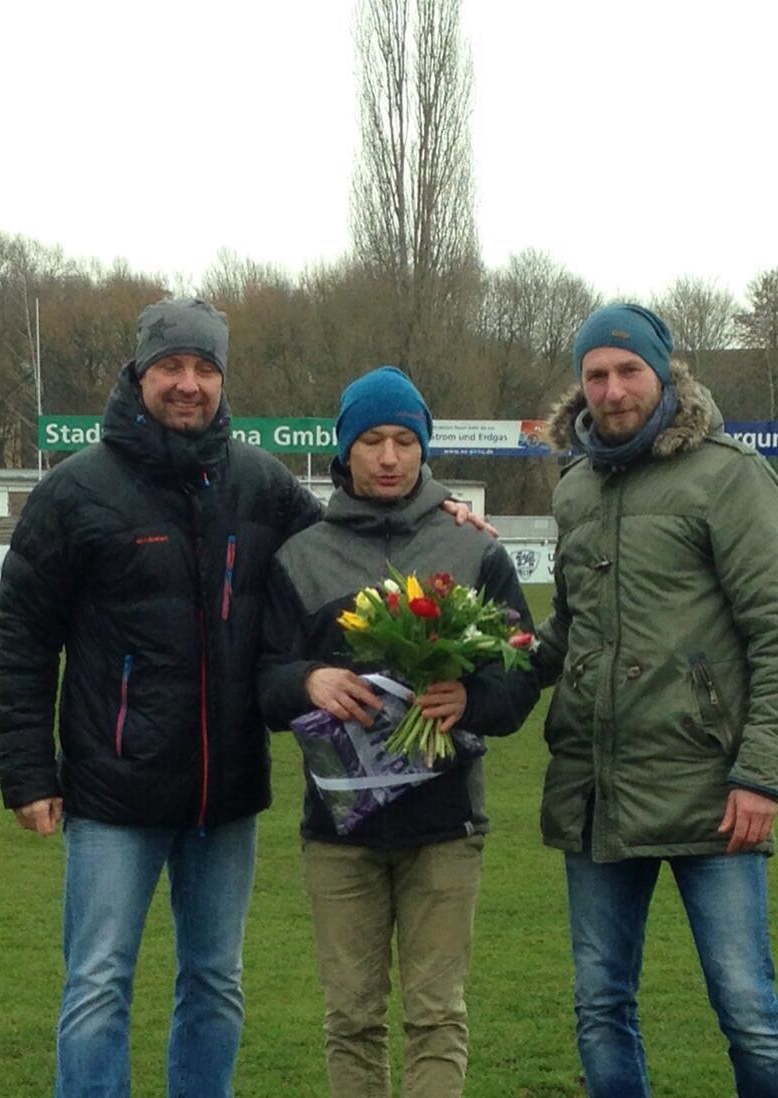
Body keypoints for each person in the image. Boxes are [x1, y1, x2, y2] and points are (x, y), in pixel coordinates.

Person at [0, 300, 487, 1098]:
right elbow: (21, 636)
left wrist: (442, 515)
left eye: (206, 369)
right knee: (96, 985)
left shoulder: (258, 482)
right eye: (172, 368)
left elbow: (356, 543)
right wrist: (28, 771)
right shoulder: (76, 489)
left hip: (224, 790)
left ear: (223, 380)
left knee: (215, 981)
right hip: (111, 788)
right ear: (141, 373)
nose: (188, 385)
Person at [257, 365, 539, 1098]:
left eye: (405, 441)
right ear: (344, 451)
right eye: (373, 440)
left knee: (436, 1015)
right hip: (338, 830)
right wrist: (304, 682)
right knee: (351, 1018)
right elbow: (259, 678)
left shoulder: (473, 551)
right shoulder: (301, 555)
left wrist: (468, 699)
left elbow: (521, 675)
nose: (389, 457)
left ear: (425, 450)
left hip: (446, 826)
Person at [536, 303, 778, 1097]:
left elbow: (774, 632)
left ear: (664, 374)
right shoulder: (573, 487)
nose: (612, 390)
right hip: (598, 791)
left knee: (748, 1014)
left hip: (714, 792)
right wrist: (483, 664)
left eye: (628, 370)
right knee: (601, 1007)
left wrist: (761, 775)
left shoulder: (727, 475)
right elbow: (567, 634)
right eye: (596, 374)